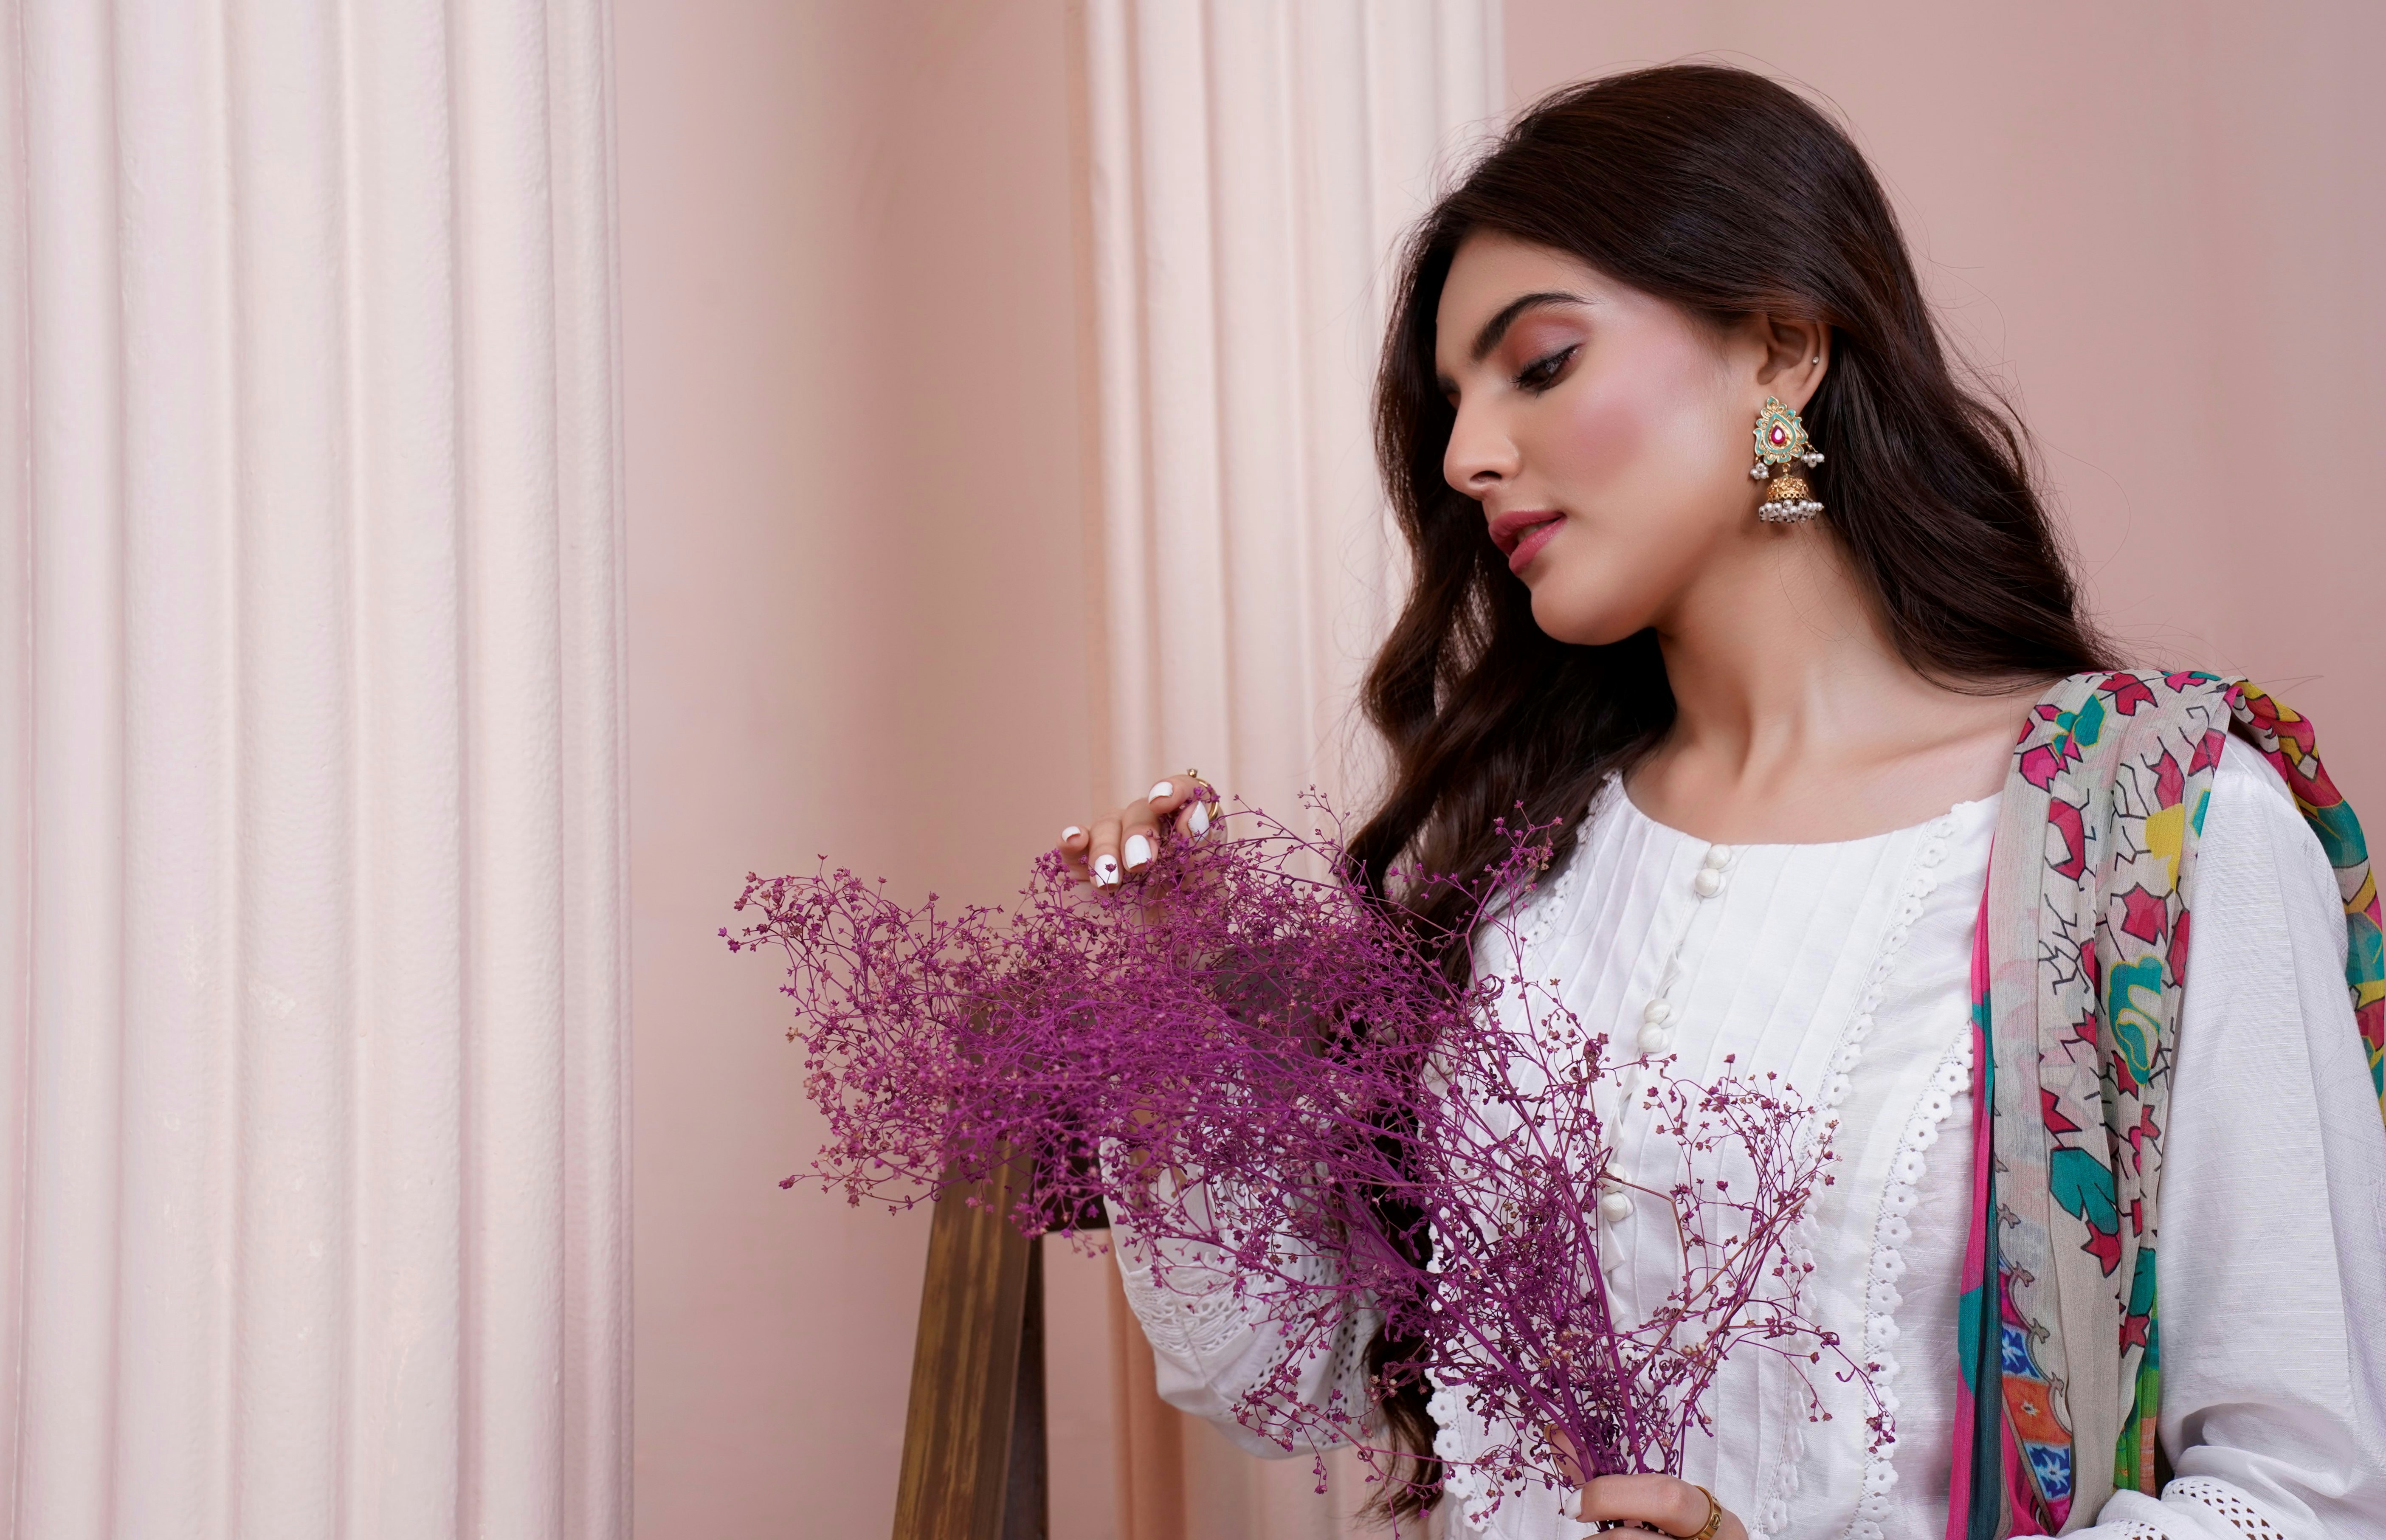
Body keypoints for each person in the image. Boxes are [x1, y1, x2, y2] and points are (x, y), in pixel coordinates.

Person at [1057, 65, 2385, 1540]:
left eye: (1539, 363)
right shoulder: (1529, 876)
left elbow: (2302, 1496)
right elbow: (1282, 1385)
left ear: (1782, 349)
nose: (1464, 457)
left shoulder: (2155, 837)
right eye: (1451, 404)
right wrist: (1169, 1006)